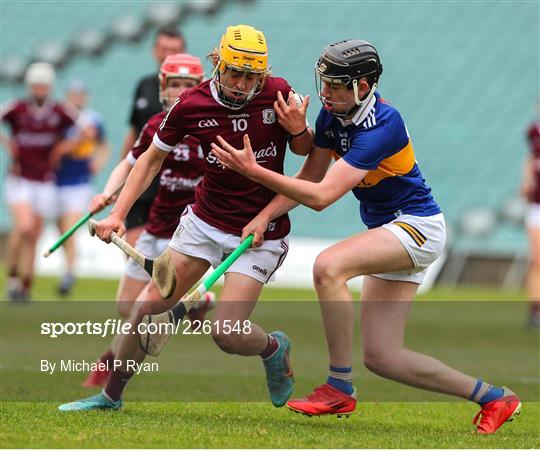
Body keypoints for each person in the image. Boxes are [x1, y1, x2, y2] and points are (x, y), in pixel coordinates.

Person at [211, 39, 522, 434]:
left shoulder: (383, 125)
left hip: (417, 226)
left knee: (329, 267)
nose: (325, 93)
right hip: (390, 230)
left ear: (364, 85)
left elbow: (322, 197)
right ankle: (495, 397)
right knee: (384, 357)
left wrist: (253, 171)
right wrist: (265, 216)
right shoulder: (330, 116)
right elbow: (310, 175)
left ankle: (339, 384)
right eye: (324, 82)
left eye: (337, 85)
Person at [58, 24, 313, 412]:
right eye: (235, 73)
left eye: (251, 76)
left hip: (262, 231)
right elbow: (149, 160)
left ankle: (274, 348)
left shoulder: (278, 91)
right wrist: (119, 214)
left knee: (227, 334)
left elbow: (307, 155)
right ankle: (110, 396)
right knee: (147, 310)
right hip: (205, 223)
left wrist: (299, 131)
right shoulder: (192, 104)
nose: (243, 84)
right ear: (218, 63)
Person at [81, 53, 215, 388]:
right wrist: (108, 193)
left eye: (189, 84)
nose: (181, 90)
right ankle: (191, 303)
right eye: (175, 84)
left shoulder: (211, 123)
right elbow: (129, 164)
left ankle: (110, 369)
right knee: (126, 306)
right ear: (163, 87)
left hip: (188, 232)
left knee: (145, 308)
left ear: (199, 86)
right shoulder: (156, 125)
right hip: (156, 225)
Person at [1, 62, 77, 302]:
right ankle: (12, 275)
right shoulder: (17, 108)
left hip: (45, 180)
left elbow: (85, 130)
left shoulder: (59, 111)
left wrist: (60, 150)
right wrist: (8, 145)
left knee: (34, 234)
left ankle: (24, 285)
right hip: (20, 178)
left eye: (44, 84)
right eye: (36, 84)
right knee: (23, 227)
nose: (40, 88)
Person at [120, 25, 186, 247]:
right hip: (144, 179)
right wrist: (122, 174)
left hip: (178, 185)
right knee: (134, 251)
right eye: (163, 48)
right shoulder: (144, 85)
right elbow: (134, 132)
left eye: (173, 50)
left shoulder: (193, 93)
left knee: (169, 258)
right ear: (154, 50)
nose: (167, 54)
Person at [52, 80, 110, 296]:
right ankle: (67, 267)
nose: (77, 98)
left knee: (69, 228)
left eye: (80, 94)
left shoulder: (93, 118)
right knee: (61, 230)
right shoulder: (60, 118)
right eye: (73, 94)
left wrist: (99, 161)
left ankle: (68, 273)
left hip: (79, 183)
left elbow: (103, 145)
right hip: (57, 180)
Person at [521, 118, 540, 328]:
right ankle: (535, 311)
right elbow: (531, 158)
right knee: (537, 260)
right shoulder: (534, 130)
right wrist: (526, 181)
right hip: (537, 204)